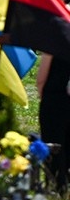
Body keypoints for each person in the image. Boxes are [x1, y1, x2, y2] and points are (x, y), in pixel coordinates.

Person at [38, 52, 70, 192]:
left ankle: (57, 188)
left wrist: (44, 96)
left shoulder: (53, 41)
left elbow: (41, 80)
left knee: (54, 146)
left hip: (54, 99)